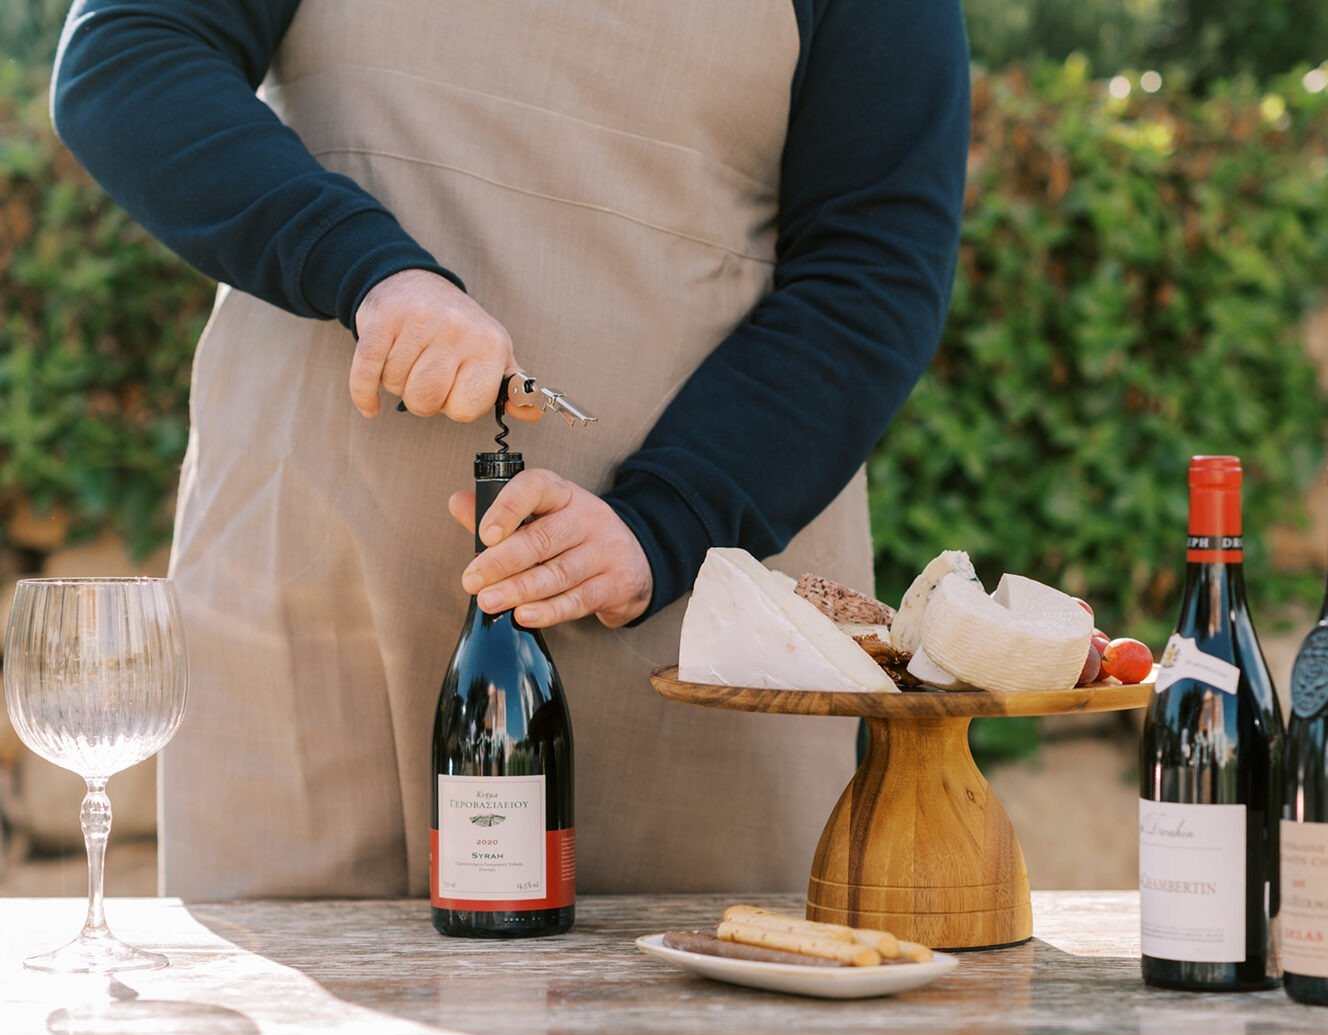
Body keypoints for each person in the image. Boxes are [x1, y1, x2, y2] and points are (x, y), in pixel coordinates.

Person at [51, 0, 970, 900]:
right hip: (310, 606)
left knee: (692, 991)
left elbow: (876, 259)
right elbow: (129, 49)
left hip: (685, 630)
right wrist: (365, 265)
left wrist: (668, 520)